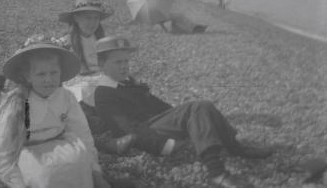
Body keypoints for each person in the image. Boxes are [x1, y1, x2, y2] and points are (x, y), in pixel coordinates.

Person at [93, 35, 274, 188]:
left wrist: (183, 119)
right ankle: (217, 172)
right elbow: (124, 129)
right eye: (118, 62)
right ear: (102, 64)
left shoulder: (126, 82)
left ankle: (236, 147)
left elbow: (156, 104)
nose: (124, 66)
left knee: (203, 107)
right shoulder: (104, 93)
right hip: (146, 132)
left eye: (126, 61)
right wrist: (163, 144)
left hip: (155, 122)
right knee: (198, 107)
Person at [0, 34, 111, 188]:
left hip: (62, 144)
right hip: (30, 151)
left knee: (78, 163)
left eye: (53, 73)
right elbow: (3, 149)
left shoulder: (66, 97)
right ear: (28, 76)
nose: (48, 79)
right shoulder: (17, 103)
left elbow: (82, 132)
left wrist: (95, 171)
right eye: (41, 74)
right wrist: (17, 182)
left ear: (61, 73)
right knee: (46, 174)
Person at [59, 0, 135, 154]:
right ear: (76, 18)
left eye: (96, 18)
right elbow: (63, 72)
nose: (92, 23)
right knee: (93, 90)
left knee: (126, 85)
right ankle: (115, 130)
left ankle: (123, 124)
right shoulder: (66, 42)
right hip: (77, 81)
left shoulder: (102, 40)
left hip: (99, 77)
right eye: (87, 18)